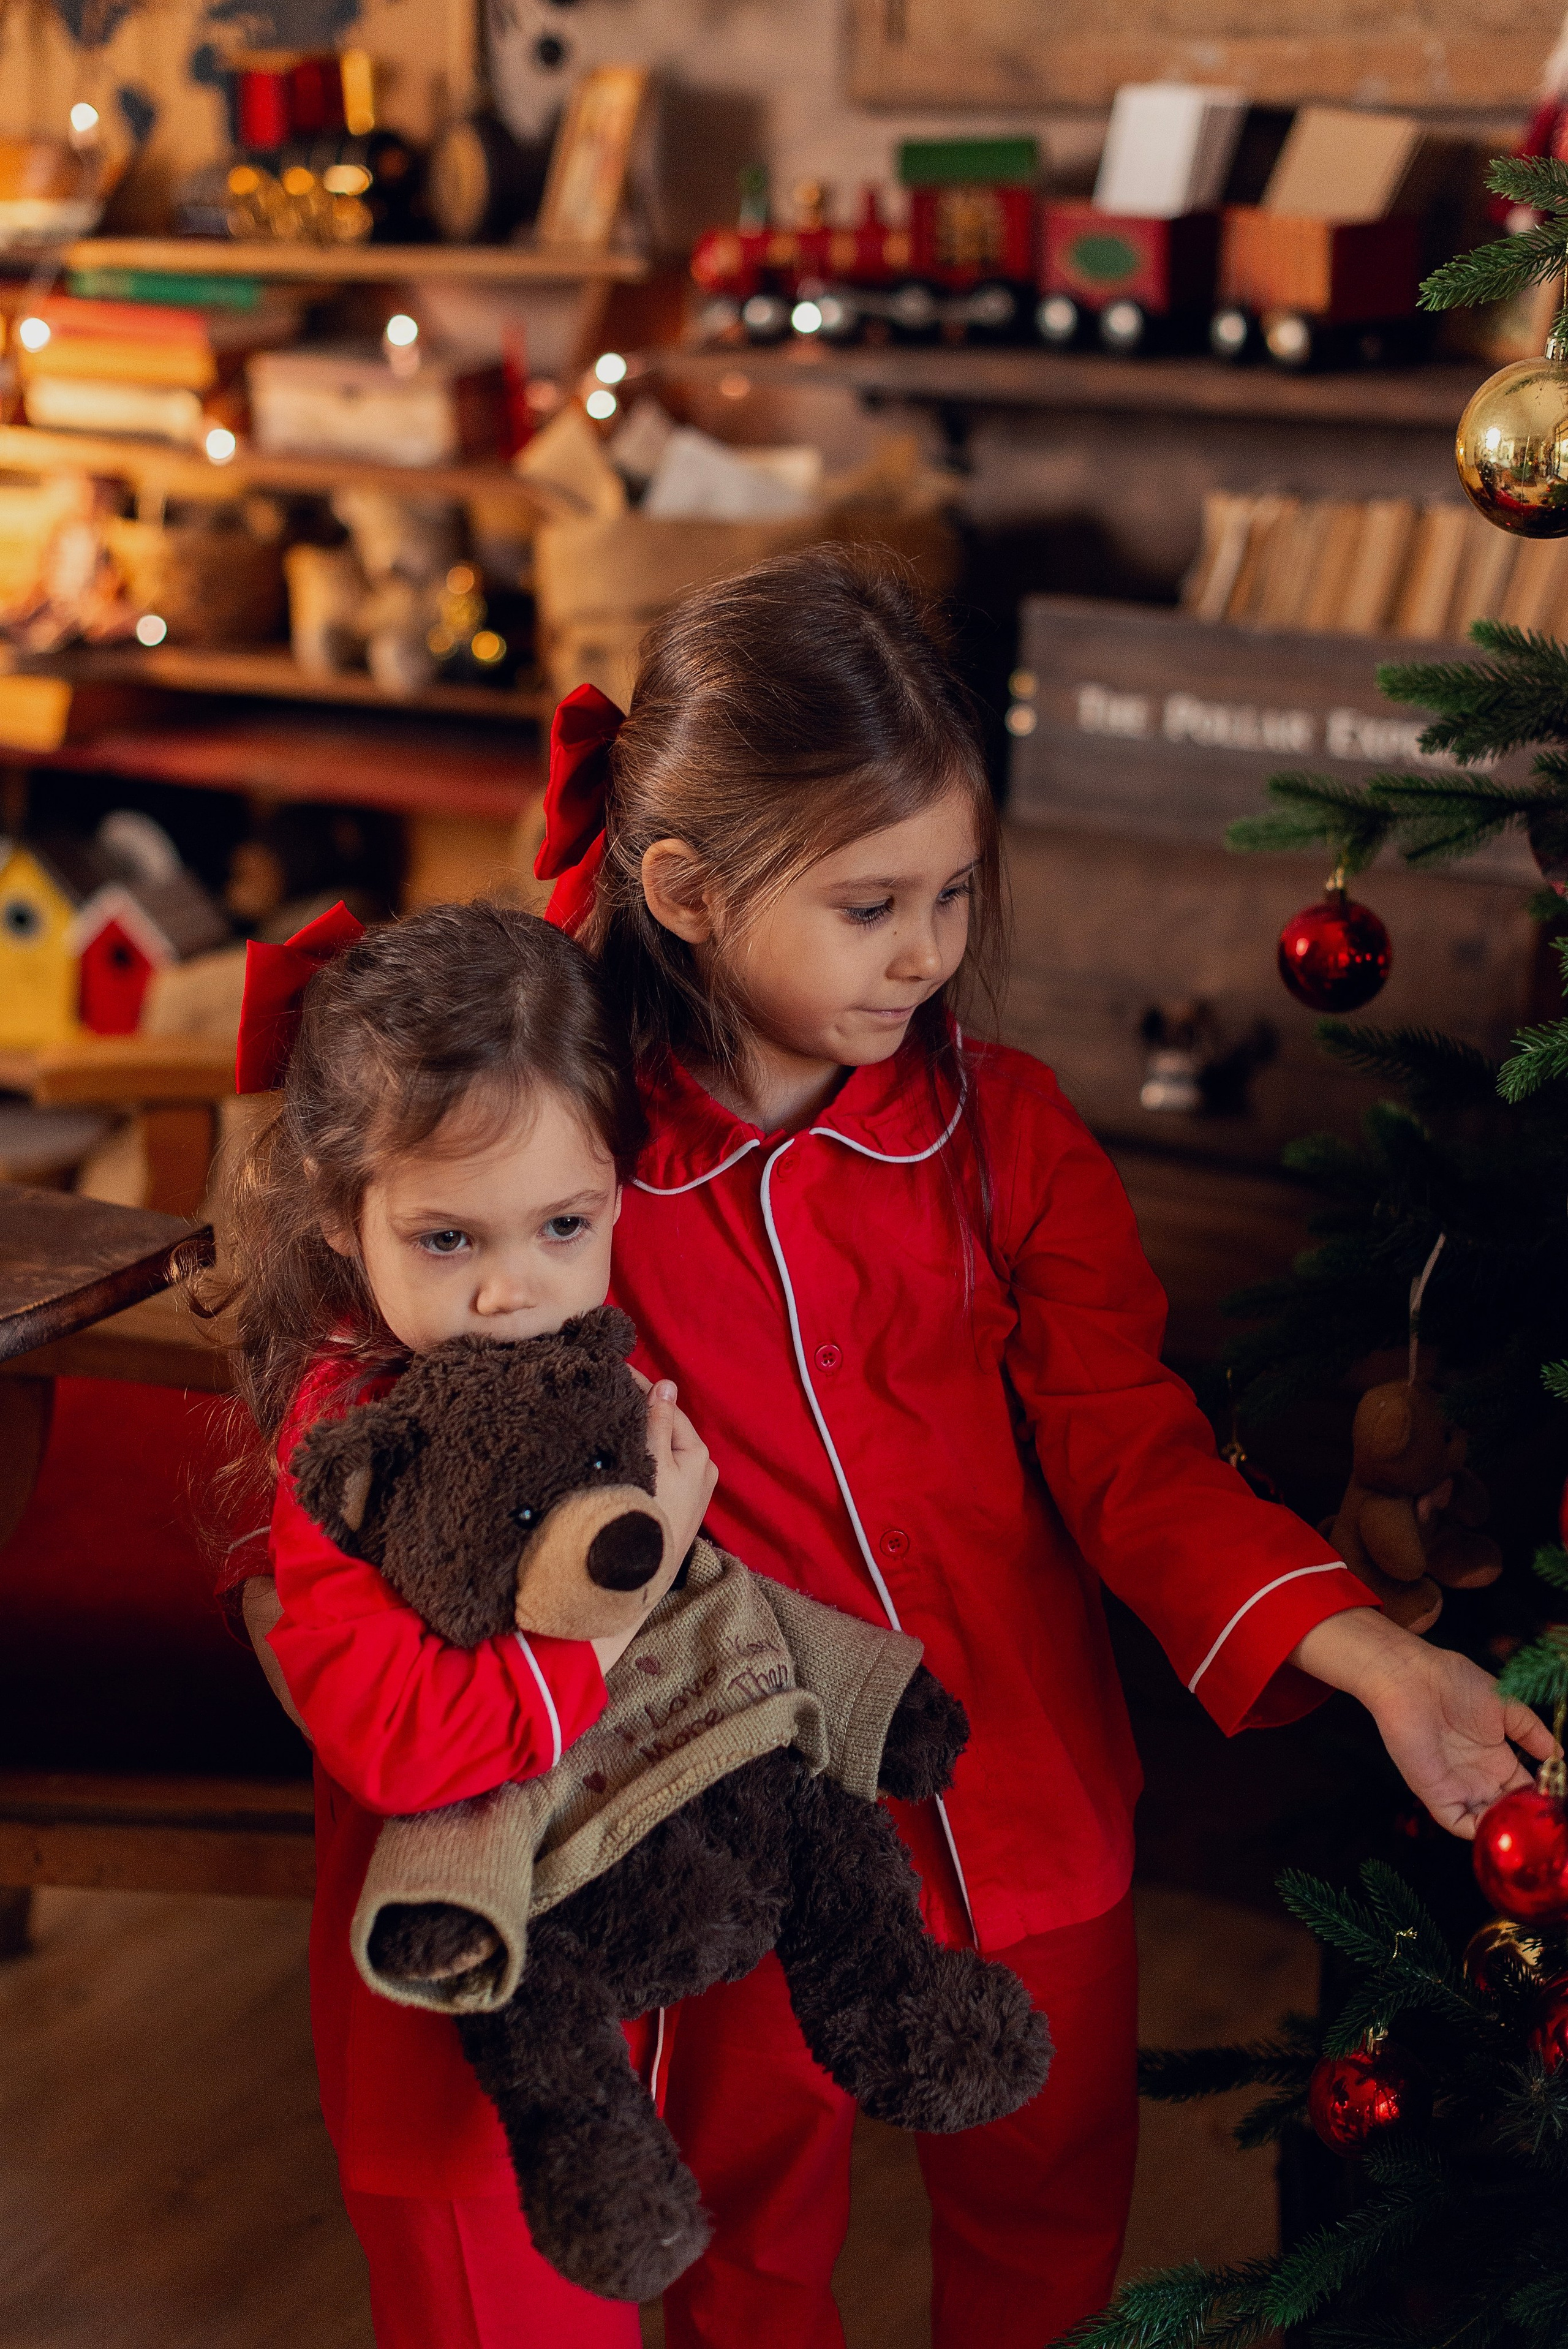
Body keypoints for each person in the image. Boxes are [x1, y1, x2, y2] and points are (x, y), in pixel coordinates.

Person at [529, 546, 1556, 2349]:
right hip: (742, 1826)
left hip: (1030, 1807)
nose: (927, 950)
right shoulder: (573, 1173)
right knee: (744, 2249)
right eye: (868, 905)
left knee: (1043, 2226)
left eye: (949, 892)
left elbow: (1136, 1458)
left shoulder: (1012, 1141)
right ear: (681, 888)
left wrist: (1377, 1652)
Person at [207, 899, 715, 2349]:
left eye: (564, 1224)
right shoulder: (348, 1456)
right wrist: (615, 1618)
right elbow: (408, 1744)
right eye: (444, 1238)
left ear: (620, 1190)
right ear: (337, 1214)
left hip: (596, 2027)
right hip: (448, 2071)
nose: (512, 1290)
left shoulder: (586, 1377)